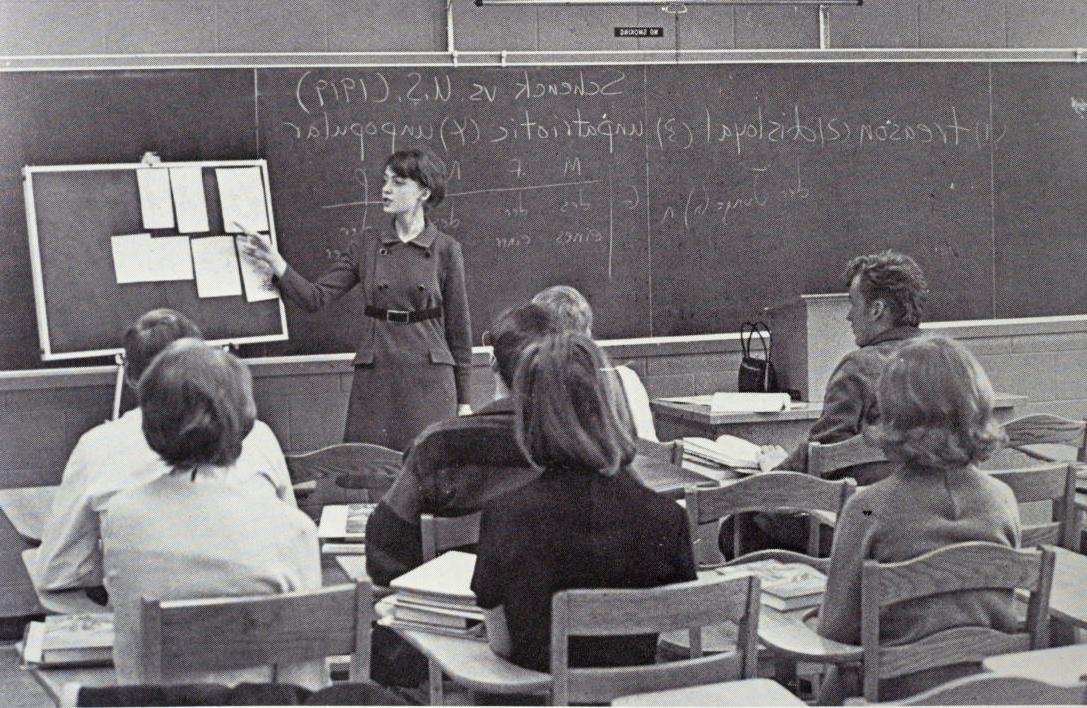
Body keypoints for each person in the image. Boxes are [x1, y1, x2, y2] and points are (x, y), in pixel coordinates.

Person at [103, 339, 324, 688]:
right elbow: (304, 681)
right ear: (244, 419)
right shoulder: (293, 529)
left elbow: (130, 655)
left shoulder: (122, 517)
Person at [470, 333, 697, 672]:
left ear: (530, 417)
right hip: (636, 700)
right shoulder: (668, 519)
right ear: (609, 409)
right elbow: (676, 635)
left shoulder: (504, 515)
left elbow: (502, 645)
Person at [816, 336, 1020, 704]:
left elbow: (836, 631)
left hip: (896, 696)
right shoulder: (1004, 499)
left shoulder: (866, 507)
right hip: (987, 693)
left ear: (893, 412)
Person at [35, 309, 294, 594]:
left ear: (134, 378)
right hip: (260, 628)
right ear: (205, 365)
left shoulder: (104, 461)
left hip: (150, 631)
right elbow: (290, 547)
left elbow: (60, 573)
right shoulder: (261, 436)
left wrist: (119, 562)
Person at [238, 147, 472, 451]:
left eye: (398, 183)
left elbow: (460, 330)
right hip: (378, 376)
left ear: (423, 193)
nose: (385, 190)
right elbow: (315, 298)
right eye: (385, 181)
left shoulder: (446, 249)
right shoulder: (366, 244)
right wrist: (275, 262)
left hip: (429, 378)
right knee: (372, 471)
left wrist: (465, 401)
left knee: (429, 470)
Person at [365, 302, 560, 587]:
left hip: (453, 614)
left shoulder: (438, 446)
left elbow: (383, 551)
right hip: (551, 620)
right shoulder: (583, 444)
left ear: (493, 361)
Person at [763, 250, 929, 483]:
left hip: (873, 510)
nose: (849, 316)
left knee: (750, 513)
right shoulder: (952, 362)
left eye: (853, 303)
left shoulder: (859, 368)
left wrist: (774, 470)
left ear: (876, 310)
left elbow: (825, 458)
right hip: (942, 505)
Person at [531, 285, 658, 441]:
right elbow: (651, 449)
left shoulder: (540, 386)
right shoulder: (627, 379)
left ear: (538, 339)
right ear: (588, 334)